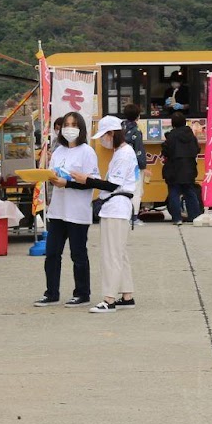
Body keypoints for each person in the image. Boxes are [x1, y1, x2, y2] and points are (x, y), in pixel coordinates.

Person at [34, 112, 98, 307]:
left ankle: (82, 293)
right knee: (52, 253)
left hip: (77, 212)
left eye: (74, 124)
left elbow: (92, 182)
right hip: (58, 210)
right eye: (66, 124)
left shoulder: (87, 152)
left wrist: (67, 183)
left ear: (81, 128)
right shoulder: (59, 151)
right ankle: (51, 293)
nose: (69, 128)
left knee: (78, 254)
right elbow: (54, 176)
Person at [83, 116, 140, 313]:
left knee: (111, 255)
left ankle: (109, 299)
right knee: (119, 253)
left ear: (111, 134)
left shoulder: (123, 153)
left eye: (104, 136)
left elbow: (113, 184)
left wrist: (87, 180)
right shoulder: (121, 152)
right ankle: (127, 294)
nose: (102, 140)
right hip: (116, 207)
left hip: (116, 207)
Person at [161, 114, 203, 225]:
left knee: (174, 192)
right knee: (190, 192)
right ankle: (194, 217)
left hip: (173, 168)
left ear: (172, 123)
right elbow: (197, 150)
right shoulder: (191, 136)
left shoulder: (171, 136)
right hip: (189, 168)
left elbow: (166, 151)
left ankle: (177, 218)